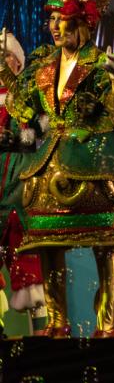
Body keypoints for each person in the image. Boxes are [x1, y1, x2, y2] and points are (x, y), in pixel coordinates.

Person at [0, 0, 114, 337]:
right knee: (47, 242)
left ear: (84, 21)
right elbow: (24, 108)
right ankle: (57, 324)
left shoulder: (104, 64)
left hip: (100, 162)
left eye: (62, 19)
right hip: (53, 164)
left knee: (107, 243)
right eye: (51, 19)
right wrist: (4, 72)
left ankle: (107, 325)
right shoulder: (43, 65)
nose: (54, 27)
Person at [0, 31, 47, 334]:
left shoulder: (28, 96)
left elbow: (41, 130)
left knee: (27, 258)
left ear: (17, 63)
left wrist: (16, 137)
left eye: (5, 57)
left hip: (20, 184)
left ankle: (41, 332)